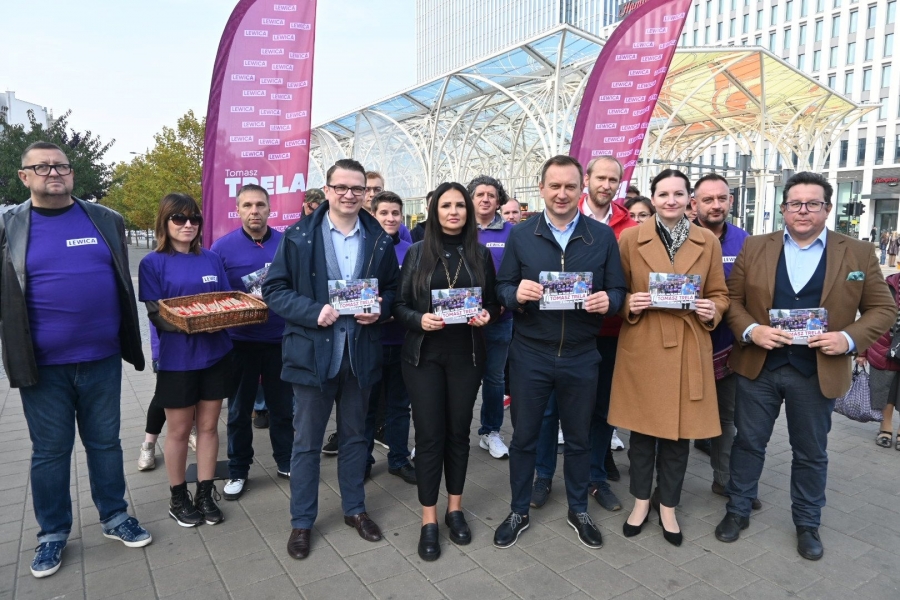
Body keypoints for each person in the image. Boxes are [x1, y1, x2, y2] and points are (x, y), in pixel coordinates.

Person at [717, 172, 895, 560]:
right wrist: (751, 330)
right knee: (748, 443)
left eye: (813, 203)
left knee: (811, 452)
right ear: (783, 209)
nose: (803, 210)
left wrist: (847, 338)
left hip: (817, 370)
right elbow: (732, 300)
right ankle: (738, 509)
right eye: (795, 203)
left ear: (827, 209)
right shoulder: (755, 247)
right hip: (760, 366)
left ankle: (807, 522)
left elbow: (883, 308)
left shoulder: (858, 252)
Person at [4, 141, 151, 578]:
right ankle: (52, 534)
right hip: (42, 365)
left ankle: (115, 516)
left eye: (61, 166)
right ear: (24, 177)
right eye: (42, 167)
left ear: (71, 172)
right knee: (50, 452)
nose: (54, 173)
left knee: (105, 443)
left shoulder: (105, 219)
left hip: (102, 359)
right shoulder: (9, 225)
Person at [263, 158, 400, 560]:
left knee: (356, 438)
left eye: (358, 188)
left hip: (359, 355)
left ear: (366, 193)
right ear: (327, 190)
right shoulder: (299, 237)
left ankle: (354, 509)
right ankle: (302, 521)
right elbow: (274, 289)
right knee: (306, 443)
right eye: (341, 187)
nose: (349, 194)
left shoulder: (378, 238)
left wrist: (381, 309)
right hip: (312, 355)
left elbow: (394, 289)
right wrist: (312, 311)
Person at [494, 155, 626, 550]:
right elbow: (502, 287)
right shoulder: (522, 234)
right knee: (524, 438)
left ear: (581, 188)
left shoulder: (601, 237)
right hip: (531, 353)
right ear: (542, 189)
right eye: (555, 186)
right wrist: (515, 294)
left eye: (570, 186)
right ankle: (518, 510)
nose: (562, 193)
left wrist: (609, 301)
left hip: (582, 354)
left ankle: (578, 509)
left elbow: (618, 290)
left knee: (581, 438)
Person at [608, 169, 729, 547]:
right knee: (642, 433)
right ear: (653, 198)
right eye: (663, 194)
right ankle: (641, 502)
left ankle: (669, 506)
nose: (671, 200)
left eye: (678, 194)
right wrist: (629, 303)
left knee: (679, 435)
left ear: (689, 199)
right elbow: (615, 290)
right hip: (644, 343)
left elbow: (720, 293)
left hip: (688, 345)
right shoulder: (630, 238)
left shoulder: (707, 241)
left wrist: (713, 309)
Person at [393, 182, 500, 561]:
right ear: (434, 211)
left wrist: (487, 315)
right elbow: (399, 306)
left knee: (458, 433)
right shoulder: (417, 252)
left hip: (466, 357)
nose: (453, 211)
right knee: (429, 435)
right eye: (446, 205)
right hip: (424, 357)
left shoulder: (480, 254)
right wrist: (419, 320)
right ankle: (429, 518)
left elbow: (493, 304)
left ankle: (455, 509)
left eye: (459, 205)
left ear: (468, 212)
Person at [533, 156, 637, 513]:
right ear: (586, 180)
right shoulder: (558, 219)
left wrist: (613, 300)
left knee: (600, 410)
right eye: (600, 178)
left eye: (613, 180)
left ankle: (595, 477)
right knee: (549, 411)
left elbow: (624, 285)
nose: (606, 185)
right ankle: (543, 474)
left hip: (609, 334)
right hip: (558, 333)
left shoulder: (628, 227)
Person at [139, 193, 235, 528]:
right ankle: (178, 497)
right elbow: (157, 314)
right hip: (177, 360)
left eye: (194, 218)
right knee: (179, 431)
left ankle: (205, 493)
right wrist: (197, 322)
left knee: (208, 427)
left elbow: (226, 301)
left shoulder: (211, 258)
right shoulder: (152, 263)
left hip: (216, 355)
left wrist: (224, 317)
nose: (188, 224)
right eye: (179, 218)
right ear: (164, 222)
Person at [210, 184, 293, 501]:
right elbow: (216, 296)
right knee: (239, 411)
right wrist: (242, 301)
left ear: (270, 209)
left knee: (282, 408)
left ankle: (286, 461)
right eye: (247, 205)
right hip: (240, 341)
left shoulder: (287, 243)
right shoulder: (222, 248)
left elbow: (299, 285)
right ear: (238, 210)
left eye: (260, 205)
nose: (254, 211)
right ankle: (238, 469)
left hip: (280, 339)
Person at [689, 174, 758, 509]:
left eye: (721, 198)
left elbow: (754, 294)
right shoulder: (679, 238)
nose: (715, 205)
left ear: (730, 201)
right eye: (708, 199)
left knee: (726, 420)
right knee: (674, 416)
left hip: (728, 349)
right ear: (694, 204)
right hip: (683, 347)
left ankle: (724, 480)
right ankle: (664, 487)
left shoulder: (746, 242)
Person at [363, 191, 416, 484]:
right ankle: (363, 459)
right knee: (367, 406)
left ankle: (398, 459)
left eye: (395, 213)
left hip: (403, 340)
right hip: (370, 341)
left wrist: (401, 312)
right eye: (384, 213)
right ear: (373, 215)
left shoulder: (412, 251)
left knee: (399, 405)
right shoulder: (362, 249)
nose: (390, 218)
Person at [468, 175, 514, 459]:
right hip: (464, 321)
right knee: (460, 378)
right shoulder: (459, 229)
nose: (485, 199)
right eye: (480, 194)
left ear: (499, 200)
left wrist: (508, 302)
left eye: (491, 195)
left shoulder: (512, 233)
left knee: (495, 379)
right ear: (470, 198)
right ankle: (451, 432)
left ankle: (490, 431)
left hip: (500, 319)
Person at [858, 272, 900, 448]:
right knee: (884, 390)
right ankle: (885, 427)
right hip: (883, 346)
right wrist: (862, 351)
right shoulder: (887, 284)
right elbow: (870, 317)